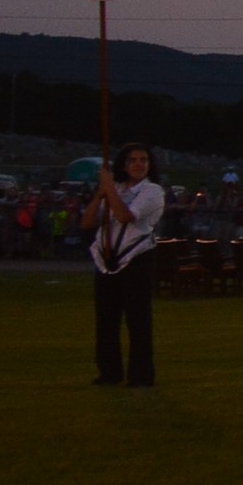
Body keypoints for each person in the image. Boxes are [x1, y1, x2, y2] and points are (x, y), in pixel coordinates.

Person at [84, 143, 164, 387]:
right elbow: (87, 223)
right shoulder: (116, 188)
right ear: (124, 165)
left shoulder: (152, 191)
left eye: (143, 160)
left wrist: (110, 190)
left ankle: (141, 374)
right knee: (106, 319)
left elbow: (125, 216)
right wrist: (101, 193)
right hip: (107, 258)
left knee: (138, 319)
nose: (138, 164)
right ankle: (109, 371)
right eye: (132, 160)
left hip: (136, 258)